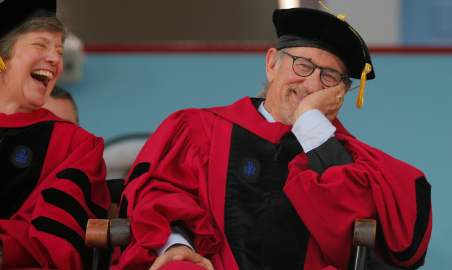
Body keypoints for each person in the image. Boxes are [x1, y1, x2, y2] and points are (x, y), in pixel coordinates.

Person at [117, 7, 432, 270]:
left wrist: (309, 120)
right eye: (303, 65)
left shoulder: (346, 159)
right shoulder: (201, 131)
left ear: (343, 92)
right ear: (271, 64)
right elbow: (161, 198)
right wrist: (176, 247)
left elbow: (376, 234)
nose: (310, 85)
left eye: (329, 77)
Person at [0, 0, 110, 269]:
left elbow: (66, 226)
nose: (56, 58)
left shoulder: (77, 146)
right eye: (40, 45)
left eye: (59, 50)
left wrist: (3, 248)